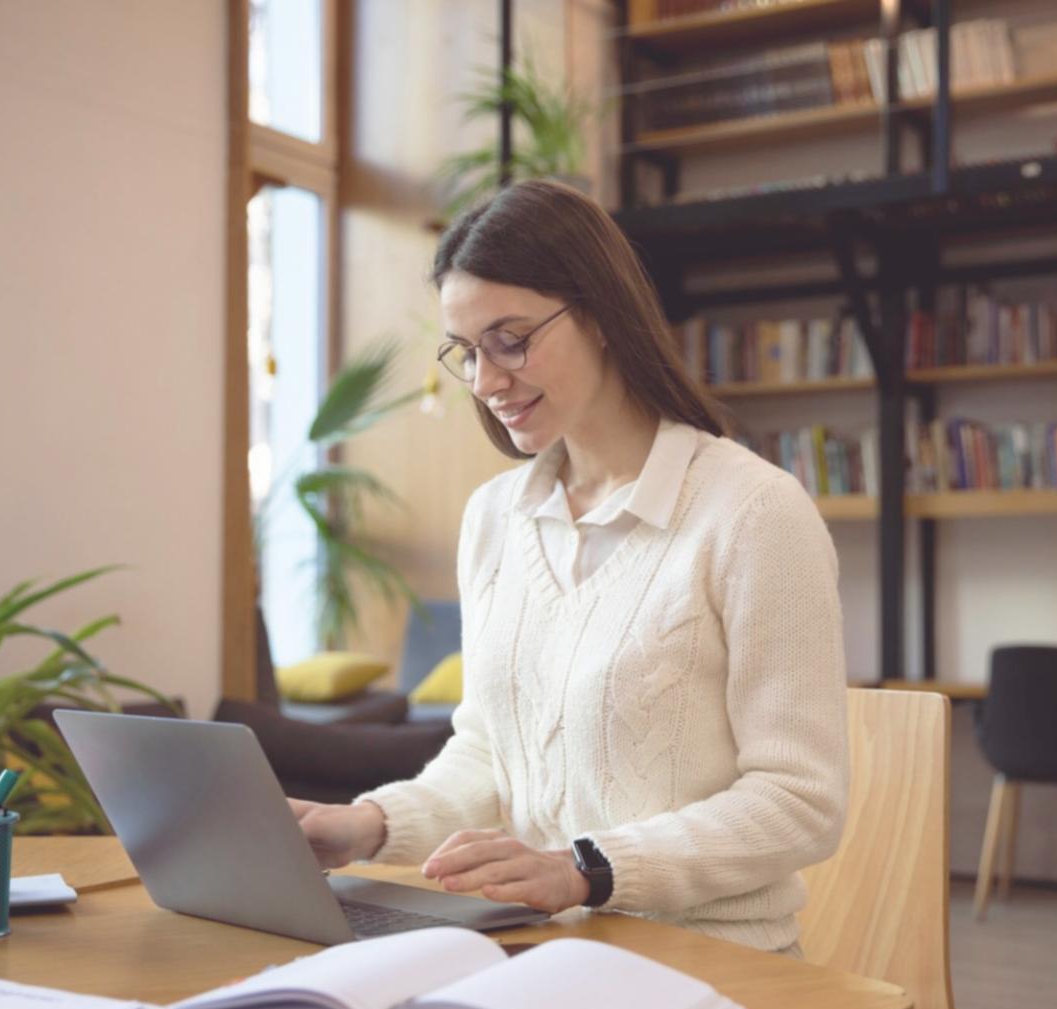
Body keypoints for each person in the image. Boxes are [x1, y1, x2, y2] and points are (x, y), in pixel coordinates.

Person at [289, 179, 848, 955]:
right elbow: (488, 753)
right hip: (534, 950)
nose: (486, 382)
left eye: (510, 339)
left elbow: (800, 800)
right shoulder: (495, 517)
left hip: (711, 959)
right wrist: (365, 825)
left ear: (600, 313)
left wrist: (587, 869)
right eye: (467, 352)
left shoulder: (753, 512)